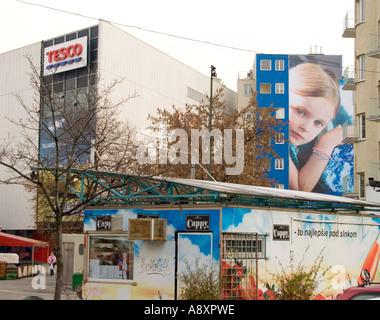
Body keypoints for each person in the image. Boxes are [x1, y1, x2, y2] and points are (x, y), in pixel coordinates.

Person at [288, 62, 343, 192]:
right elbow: (299, 190)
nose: (305, 127)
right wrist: (327, 143)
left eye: (318, 123)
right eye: (300, 111)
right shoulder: (273, 138)